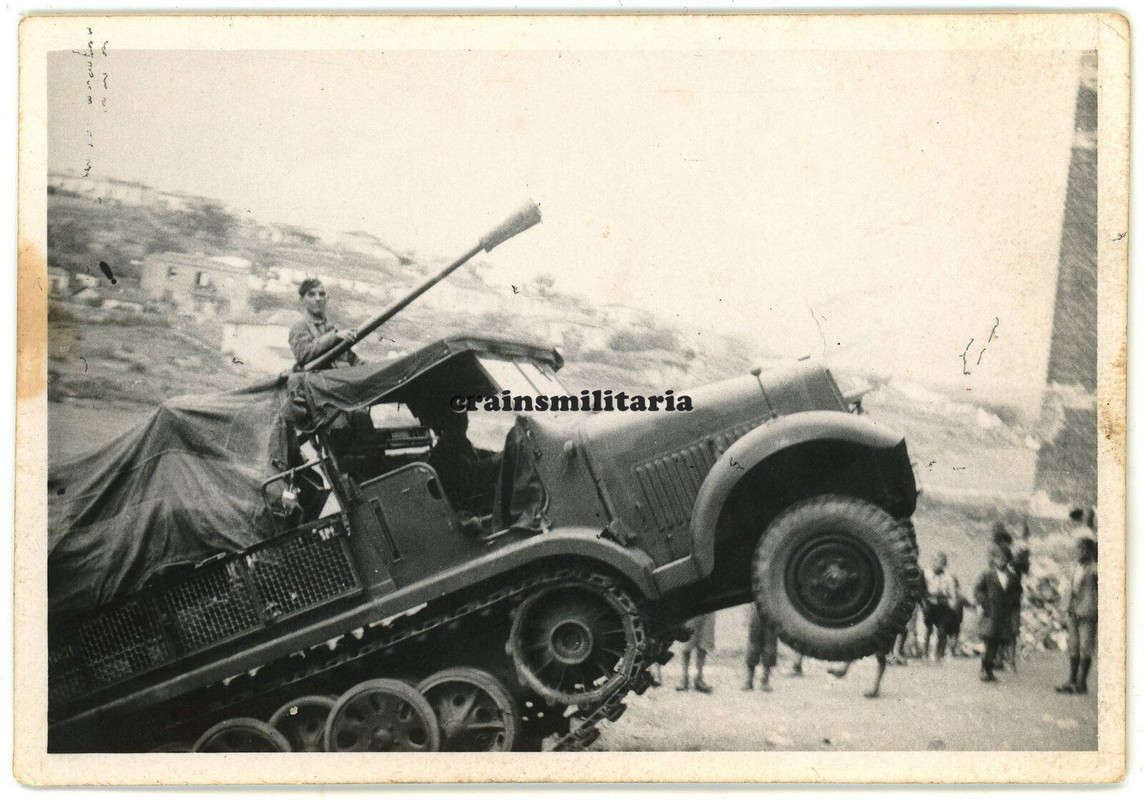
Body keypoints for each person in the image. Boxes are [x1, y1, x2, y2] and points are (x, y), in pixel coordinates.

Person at [289, 278, 362, 370]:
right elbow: (303, 355)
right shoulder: (300, 326)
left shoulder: (331, 327)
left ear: (326, 298)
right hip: (320, 380)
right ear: (302, 299)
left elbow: (352, 360)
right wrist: (335, 337)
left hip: (342, 377)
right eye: (311, 295)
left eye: (322, 294)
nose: (318, 298)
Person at [1056, 536, 1098, 695]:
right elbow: (1067, 587)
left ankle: (1082, 683)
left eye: (1083, 549)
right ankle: (1071, 680)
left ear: (1090, 551)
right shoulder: (1073, 567)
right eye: (1078, 549)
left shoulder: (1094, 569)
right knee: (1073, 646)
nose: (1080, 552)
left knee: (1085, 647)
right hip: (1072, 610)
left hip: (1088, 612)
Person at [974, 543, 1019, 683]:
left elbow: (1017, 593)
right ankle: (984, 668)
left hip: (1004, 615)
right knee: (989, 641)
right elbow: (978, 590)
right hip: (990, 613)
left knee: (997, 642)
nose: (1001, 560)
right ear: (994, 559)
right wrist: (985, 604)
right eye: (998, 558)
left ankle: (989, 669)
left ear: (1008, 560)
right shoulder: (987, 574)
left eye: (1004, 558)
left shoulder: (1012, 577)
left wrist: (1012, 608)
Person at [922, 552, 957, 661]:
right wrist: (924, 602)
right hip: (929, 603)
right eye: (936, 561)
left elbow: (952, 594)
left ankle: (938, 654)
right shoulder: (926, 574)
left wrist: (951, 604)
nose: (938, 564)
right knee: (928, 629)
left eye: (941, 562)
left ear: (944, 564)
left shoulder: (948, 578)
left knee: (942, 630)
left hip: (942, 605)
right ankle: (925, 653)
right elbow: (922, 589)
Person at [676, 612, 715, 693]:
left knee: (704, 644)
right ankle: (684, 678)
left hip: (708, 610)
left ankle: (699, 679)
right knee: (686, 644)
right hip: (691, 607)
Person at [743, 605, 778, 692]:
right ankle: (749, 681)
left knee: (770, 643)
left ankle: (765, 681)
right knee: (753, 642)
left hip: (773, 606)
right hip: (756, 605)